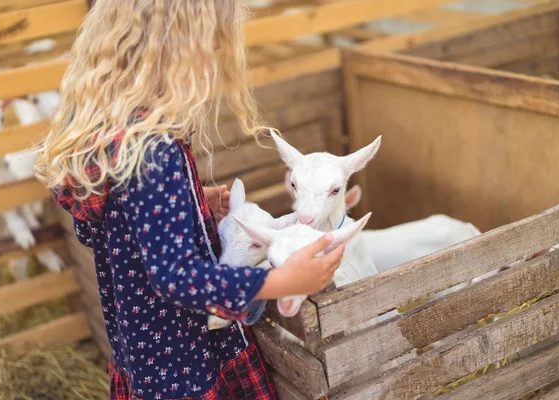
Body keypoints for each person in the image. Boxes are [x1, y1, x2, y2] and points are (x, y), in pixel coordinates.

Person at [35, 1, 344, 399]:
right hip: (185, 361)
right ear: (182, 50)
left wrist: (191, 207)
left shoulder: (115, 134)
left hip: (144, 355)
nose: (215, 64)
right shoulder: (156, 149)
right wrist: (278, 280)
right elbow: (175, 277)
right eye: (214, 48)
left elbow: (98, 230)